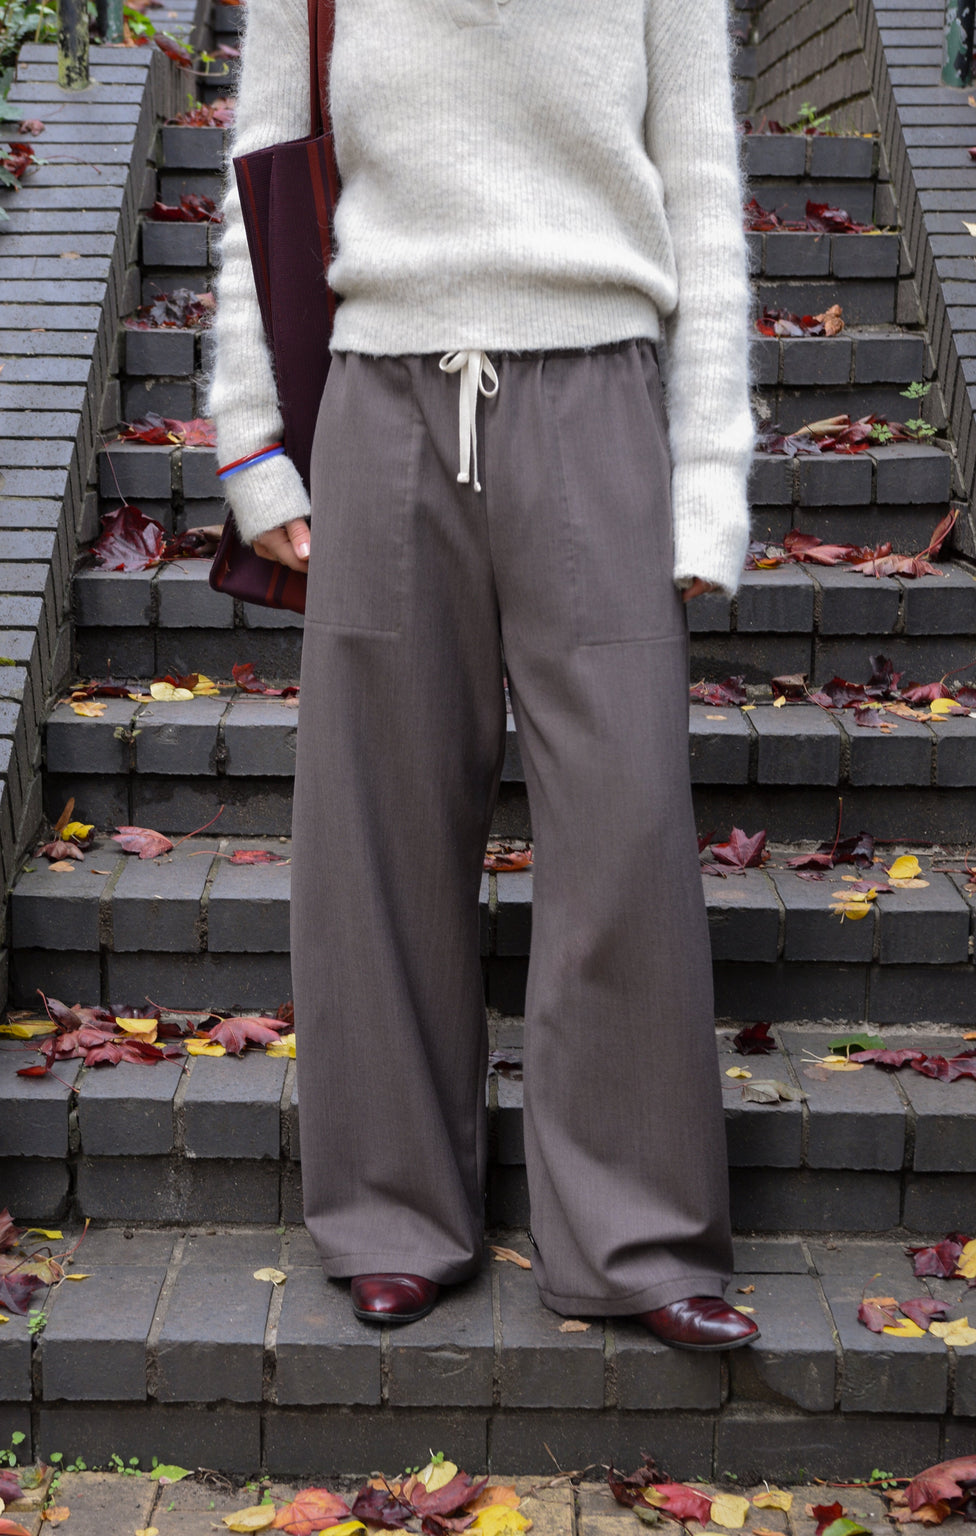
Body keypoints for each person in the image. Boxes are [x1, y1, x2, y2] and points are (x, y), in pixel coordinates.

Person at [208, 0, 760, 1352]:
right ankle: (392, 1215)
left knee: (624, 823)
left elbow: (704, 188)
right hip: (379, 403)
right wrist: (252, 446)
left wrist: (709, 478)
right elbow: (261, 177)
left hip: (598, 396)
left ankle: (636, 1236)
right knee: (377, 832)